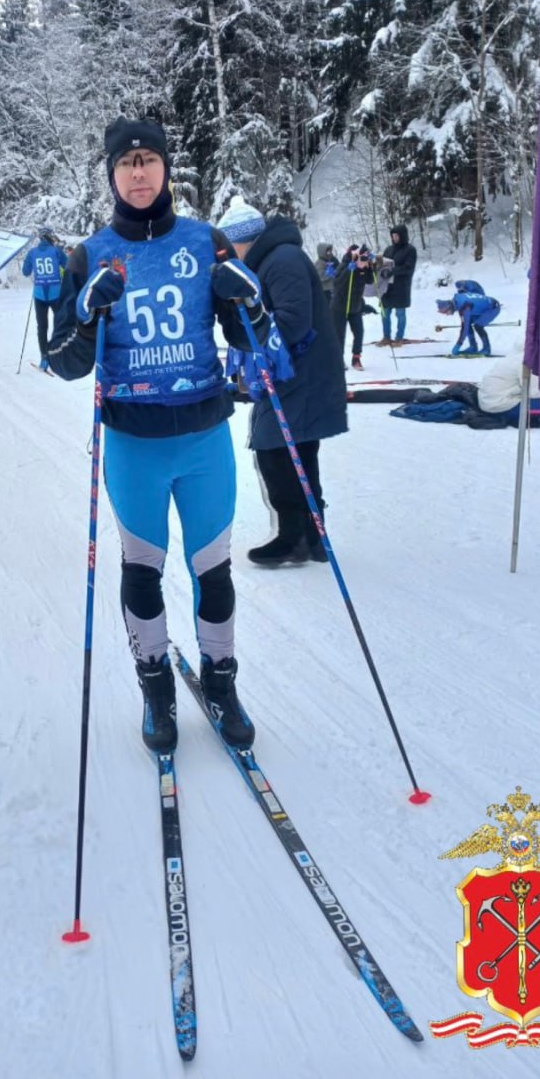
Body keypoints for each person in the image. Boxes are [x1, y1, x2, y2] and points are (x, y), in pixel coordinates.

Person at [48, 118, 270, 752]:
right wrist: (86, 313)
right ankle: (156, 691)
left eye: (148, 159)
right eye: (126, 162)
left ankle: (221, 683)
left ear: (167, 168)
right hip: (133, 444)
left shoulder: (206, 241)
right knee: (143, 571)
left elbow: (254, 341)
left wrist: (251, 302)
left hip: (203, 439)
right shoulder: (88, 255)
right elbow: (62, 361)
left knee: (213, 569)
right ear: (112, 175)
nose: (138, 172)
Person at [221, 201, 347, 566]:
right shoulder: (273, 259)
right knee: (298, 451)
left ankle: (294, 537)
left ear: (243, 241)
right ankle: (312, 537)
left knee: (274, 448)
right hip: (296, 372)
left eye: (230, 247)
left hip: (300, 374)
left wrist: (252, 320)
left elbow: (292, 322)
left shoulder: (282, 260)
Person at [22, 229, 68, 370]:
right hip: (55, 294)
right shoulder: (56, 251)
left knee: (42, 327)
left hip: (39, 295)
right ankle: (61, 354)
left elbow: (25, 272)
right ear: (49, 238)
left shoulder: (32, 252)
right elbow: (68, 265)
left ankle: (44, 358)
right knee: (60, 324)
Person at [331, 243, 375, 369]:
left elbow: (370, 280)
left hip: (355, 305)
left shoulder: (364, 266)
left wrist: (370, 266)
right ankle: (339, 359)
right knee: (340, 334)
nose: (362, 258)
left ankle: (356, 358)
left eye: (364, 256)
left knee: (359, 332)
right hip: (340, 306)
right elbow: (337, 283)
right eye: (360, 256)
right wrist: (350, 269)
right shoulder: (344, 264)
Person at [437, 281, 501, 355]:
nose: (446, 315)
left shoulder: (464, 306)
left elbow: (464, 328)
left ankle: (487, 349)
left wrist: (458, 345)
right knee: (469, 323)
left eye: (445, 312)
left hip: (493, 307)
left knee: (478, 326)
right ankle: (473, 347)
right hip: (487, 305)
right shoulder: (458, 300)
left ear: (449, 307)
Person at [380, 224, 417, 343]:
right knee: (385, 313)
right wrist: (381, 270)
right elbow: (383, 264)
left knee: (400, 313)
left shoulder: (410, 250)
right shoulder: (388, 249)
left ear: (402, 235)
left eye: (396, 235)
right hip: (387, 287)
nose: (394, 238)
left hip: (401, 286)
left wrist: (393, 271)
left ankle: (399, 337)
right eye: (393, 236)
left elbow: (409, 267)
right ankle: (386, 337)